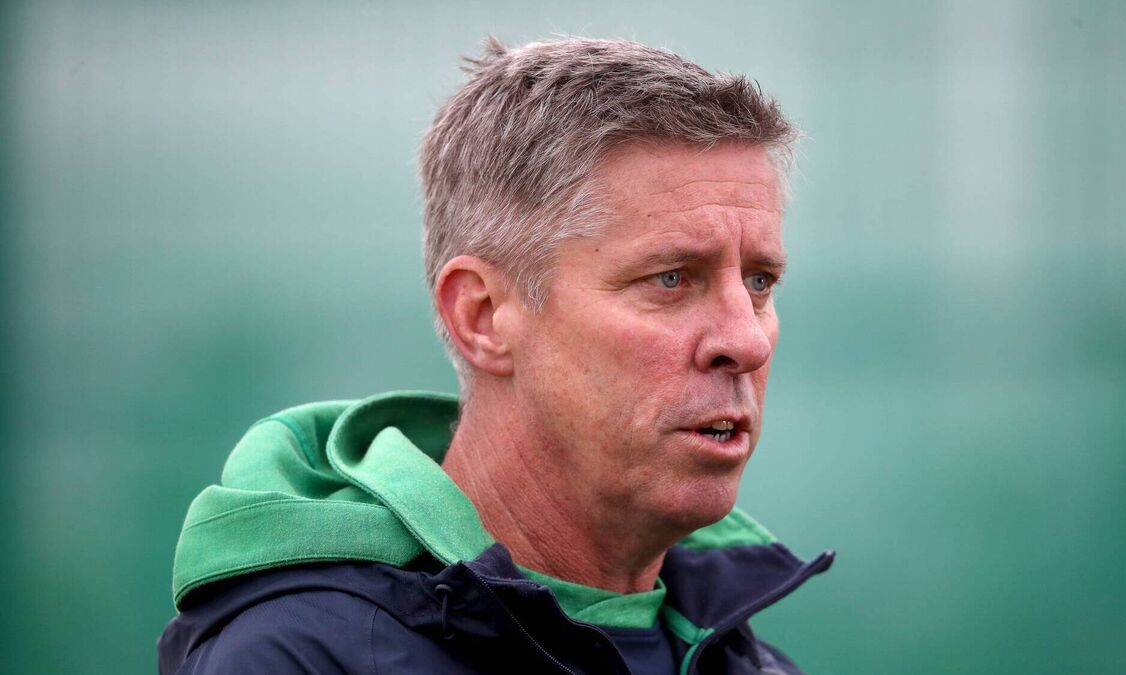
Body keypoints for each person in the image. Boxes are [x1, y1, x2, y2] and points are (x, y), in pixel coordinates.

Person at [157, 36, 834, 675]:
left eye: (759, 282)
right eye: (671, 278)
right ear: (482, 317)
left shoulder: (748, 662)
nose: (747, 341)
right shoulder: (304, 657)